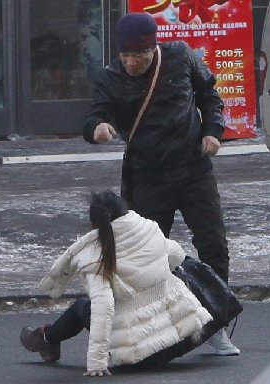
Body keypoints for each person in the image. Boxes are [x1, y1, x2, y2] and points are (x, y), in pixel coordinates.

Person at [82, 12, 239, 355]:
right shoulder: (111, 79)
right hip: (147, 177)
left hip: (193, 169)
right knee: (147, 259)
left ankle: (216, 323)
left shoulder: (181, 56)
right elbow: (95, 114)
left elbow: (210, 95)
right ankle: (153, 331)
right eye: (125, 55)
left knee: (214, 246)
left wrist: (213, 131)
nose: (131, 62)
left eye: (138, 54)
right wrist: (98, 129)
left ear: (153, 48)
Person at [20, 191, 214, 377]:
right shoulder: (149, 229)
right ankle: (46, 339)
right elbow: (178, 256)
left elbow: (103, 308)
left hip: (141, 355)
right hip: (185, 336)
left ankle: (46, 340)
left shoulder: (94, 256)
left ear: (93, 224)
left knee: (82, 306)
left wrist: (97, 362)